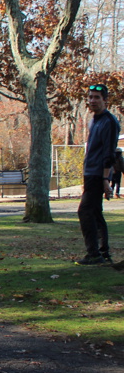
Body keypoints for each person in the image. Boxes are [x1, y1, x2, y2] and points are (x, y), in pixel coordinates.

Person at [77, 84, 120, 265]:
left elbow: (109, 153)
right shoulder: (94, 120)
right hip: (90, 173)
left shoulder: (109, 122)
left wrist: (105, 179)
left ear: (105, 100)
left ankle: (94, 254)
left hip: (98, 174)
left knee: (85, 211)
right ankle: (103, 253)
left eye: (96, 97)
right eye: (90, 97)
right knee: (95, 212)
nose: (92, 101)